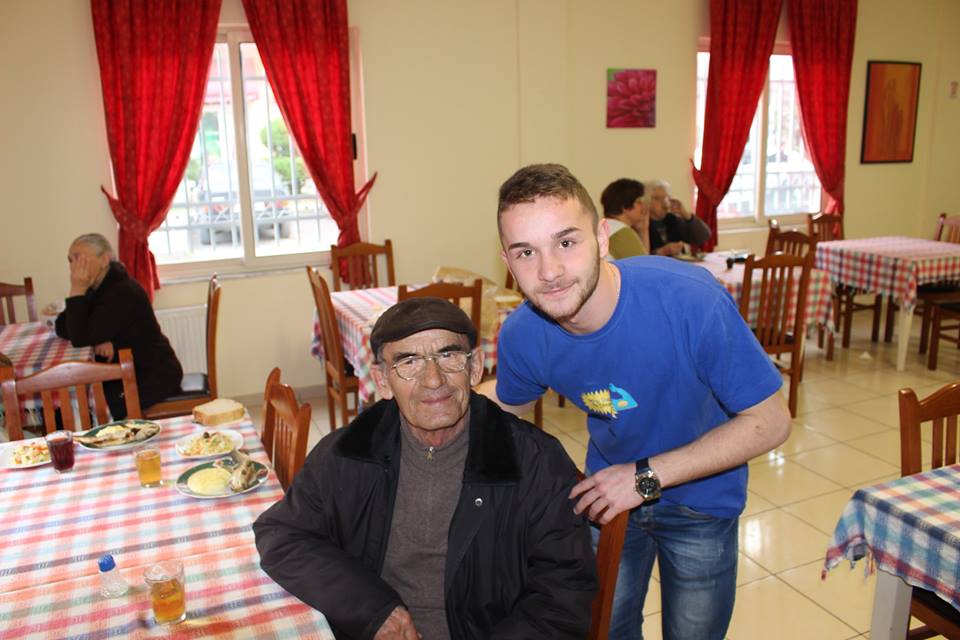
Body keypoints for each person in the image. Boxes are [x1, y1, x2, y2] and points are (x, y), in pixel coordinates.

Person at [480, 163, 790, 640]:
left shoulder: (689, 301)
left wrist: (644, 477)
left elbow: (771, 421)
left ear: (602, 238)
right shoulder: (525, 332)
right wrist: (427, 399)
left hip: (703, 500)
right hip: (609, 496)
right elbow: (506, 403)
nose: (549, 271)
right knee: (606, 628)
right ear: (507, 260)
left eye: (566, 242)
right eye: (526, 252)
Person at [253, 297, 596, 640]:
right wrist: (371, 610)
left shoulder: (534, 461)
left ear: (475, 367)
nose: (433, 380)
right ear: (382, 381)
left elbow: (565, 594)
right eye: (409, 362)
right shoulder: (350, 453)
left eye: (448, 356)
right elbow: (282, 535)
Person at [55, 233, 182, 418]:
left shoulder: (122, 291)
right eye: (71, 260)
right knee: (78, 402)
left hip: (153, 375)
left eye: (80, 258)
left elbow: (79, 337)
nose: (75, 266)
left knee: (89, 406)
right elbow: (61, 325)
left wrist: (77, 290)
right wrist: (97, 339)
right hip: (128, 369)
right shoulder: (98, 286)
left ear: (104, 259)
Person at [642, 179, 711, 256]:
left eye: (666, 198)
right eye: (657, 199)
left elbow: (704, 237)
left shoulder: (672, 219)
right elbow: (638, 258)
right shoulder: (641, 224)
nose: (664, 203)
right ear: (646, 201)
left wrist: (686, 215)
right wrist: (660, 252)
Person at [600, 178, 649, 259]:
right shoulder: (621, 231)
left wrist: (643, 231)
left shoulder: (605, 226)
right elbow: (645, 264)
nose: (644, 206)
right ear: (625, 206)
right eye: (639, 202)